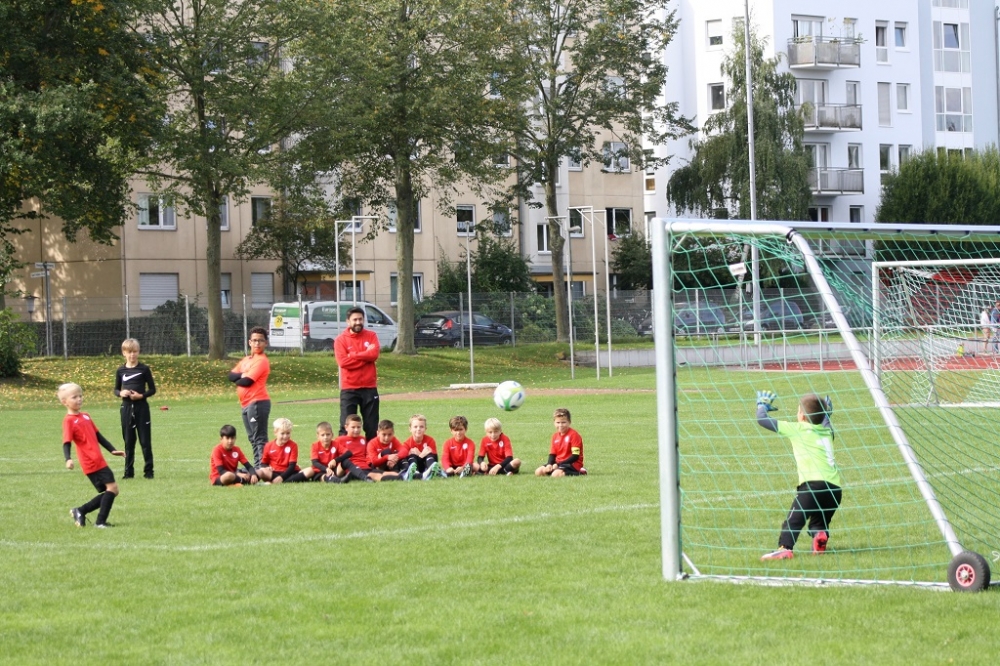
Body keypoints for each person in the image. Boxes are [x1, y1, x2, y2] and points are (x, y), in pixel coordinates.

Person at [755, 390, 842, 561]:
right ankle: (819, 535)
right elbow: (825, 421)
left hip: (812, 486)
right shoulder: (827, 432)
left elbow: (762, 420)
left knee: (794, 520)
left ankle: (785, 548)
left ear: (801, 416)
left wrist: (761, 406)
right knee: (819, 520)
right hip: (835, 490)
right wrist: (826, 414)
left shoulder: (797, 429)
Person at [59, 382, 126, 528]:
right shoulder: (68, 421)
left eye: (80, 396)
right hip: (90, 462)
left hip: (99, 460)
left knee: (112, 490)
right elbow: (66, 442)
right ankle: (100, 522)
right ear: (65, 402)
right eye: (74, 397)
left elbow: (98, 436)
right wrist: (68, 459)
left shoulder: (86, 416)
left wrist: (112, 450)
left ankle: (81, 511)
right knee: (112, 489)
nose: (79, 399)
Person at [334, 306, 381, 442]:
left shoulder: (371, 336)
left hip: (369, 387)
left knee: (372, 427)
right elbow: (343, 362)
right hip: (349, 388)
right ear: (348, 321)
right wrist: (365, 356)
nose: (358, 322)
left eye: (360, 319)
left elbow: (374, 355)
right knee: (346, 426)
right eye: (354, 320)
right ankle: (344, 454)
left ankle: (371, 454)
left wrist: (354, 355)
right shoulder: (340, 340)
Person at [114, 338, 157, 479]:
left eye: (135, 352)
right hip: (126, 408)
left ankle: (149, 472)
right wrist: (121, 393)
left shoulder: (144, 369)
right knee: (129, 441)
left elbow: (152, 389)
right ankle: (128, 472)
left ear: (139, 352)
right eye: (129, 352)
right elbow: (116, 389)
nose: (132, 355)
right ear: (124, 353)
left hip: (141, 408)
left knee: (145, 441)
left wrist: (141, 396)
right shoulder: (121, 370)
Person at [229, 326, 271, 468]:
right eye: (254, 340)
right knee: (252, 438)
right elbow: (231, 376)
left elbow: (247, 382)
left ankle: (262, 468)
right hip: (245, 404)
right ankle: (258, 466)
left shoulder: (262, 361)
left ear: (266, 343)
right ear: (249, 342)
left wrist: (240, 378)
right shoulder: (246, 360)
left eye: (260, 340)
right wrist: (242, 375)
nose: (257, 343)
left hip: (257, 402)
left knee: (259, 438)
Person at [330, 414, 406, 482]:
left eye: (358, 427)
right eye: (353, 427)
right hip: (350, 467)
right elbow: (334, 456)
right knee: (375, 476)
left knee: (394, 474)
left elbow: (367, 456)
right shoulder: (340, 440)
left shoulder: (363, 439)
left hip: (365, 467)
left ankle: (402, 475)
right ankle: (358, 476)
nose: (356, 430)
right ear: (346, 427)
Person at [535, 408, 586, 477]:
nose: (560, 425)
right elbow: (552, 454)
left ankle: (581, 472)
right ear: (554, 423)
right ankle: (556, 470)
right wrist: (549, 464)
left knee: (555, 475)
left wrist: (558, 464)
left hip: (572, 463)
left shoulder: (574, 435)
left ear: (569, 422)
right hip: (558, 463)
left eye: (563, 422)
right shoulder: (555, 436)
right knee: (539, 472)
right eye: (558, 422)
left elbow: (575, 456)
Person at [257, 418, 302, 484]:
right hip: (275, 472)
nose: (285, 436)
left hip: (289, 473)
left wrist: (281, 477)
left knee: (309, 471)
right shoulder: (268, 446)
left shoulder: (293, 445)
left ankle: (275, 482)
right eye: (282, 433)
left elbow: (292, 466)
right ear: (275, 433)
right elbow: (264, 463)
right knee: (260, 471)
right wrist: (267, 467)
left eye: (288, 433)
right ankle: (249, 481)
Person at [401, 414, 445, 481]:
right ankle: (415, 473)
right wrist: (422, 454)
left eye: (421, 427)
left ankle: (432, 471)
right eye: (415, 427)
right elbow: (402, 458)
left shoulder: (430, 440)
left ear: (425, 429)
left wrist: (419, 454)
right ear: (410, 429)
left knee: (429, 455)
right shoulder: (407, 443)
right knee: (412, 455)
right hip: (416, 466)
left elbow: (435, 459)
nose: (418, 429)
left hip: (426, 465)